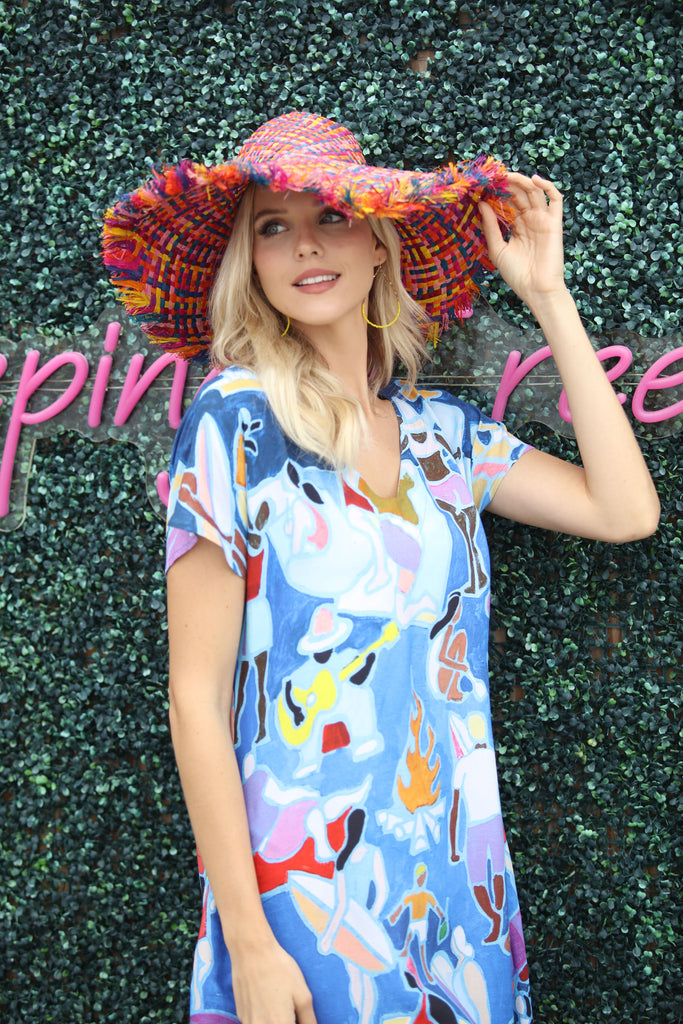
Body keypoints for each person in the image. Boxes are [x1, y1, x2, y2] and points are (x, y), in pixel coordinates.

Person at [103, 111, 659, 1024]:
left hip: (454, 877)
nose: (304, 247)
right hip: (302, 896)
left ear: (378, 246)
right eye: (272, 228)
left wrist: (549, 297)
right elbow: (193, 701)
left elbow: (624, 511)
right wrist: (248, 939)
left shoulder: (446, 440)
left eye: (330, 216)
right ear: (253, 265)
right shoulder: (234, 421)